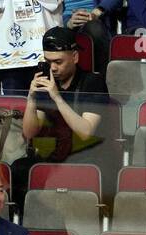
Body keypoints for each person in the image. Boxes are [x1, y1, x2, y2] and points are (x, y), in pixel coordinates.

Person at [14, 26, 110, 214]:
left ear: (74, 57)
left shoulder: (93, 83)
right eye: (48, 62)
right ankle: (24, 225)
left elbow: (85, 132)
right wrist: (31, 98)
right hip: (51, 154)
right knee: (18, 169)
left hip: (85, 156)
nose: (53, 68)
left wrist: (57, 98)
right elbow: (29, 133)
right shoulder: (45, 80)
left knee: (71, 172)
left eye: (59, 62)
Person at [0, 0, 62, 94]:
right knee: (14, 106)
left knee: (46, 106)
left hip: (45, 55)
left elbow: (54, 4)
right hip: (11, 58)